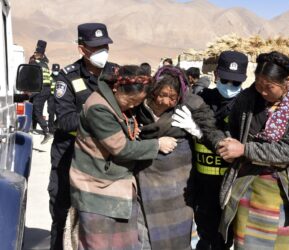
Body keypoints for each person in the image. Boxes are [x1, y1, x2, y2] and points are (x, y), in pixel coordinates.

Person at [217, 51, 289, 249]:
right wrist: (228, 145)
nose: (262, 91)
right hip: (248, 188)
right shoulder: (247, 98)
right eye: (258, 84)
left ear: (287, 81)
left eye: (268, 87)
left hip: (285, 192)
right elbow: (234, 129)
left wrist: (244, 150)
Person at [69, 65, 177, 249]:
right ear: (116, 89)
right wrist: (157, 144)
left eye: (138, 102)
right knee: (98, 244)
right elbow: (121, 148)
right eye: (131, 101)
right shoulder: (99, 108)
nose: (133, 106)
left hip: (117, 186)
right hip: (96, 187)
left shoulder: (119, 103)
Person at [135, 65, 222, 250]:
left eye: (172, 97)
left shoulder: (191, 103)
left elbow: (212, 132)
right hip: (146, 176)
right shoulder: (139, 100)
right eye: (161, 95)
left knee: (178, 235)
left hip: (178, 181)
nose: (166, 101)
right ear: (153, 89)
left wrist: (198, 132)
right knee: (144, 231)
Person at [48, 23, 117, 250]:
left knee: (103, 220)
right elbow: (66, 120)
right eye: (96, 47)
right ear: (82, 49)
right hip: (69, 157)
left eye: (105, 46)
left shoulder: (117, 75)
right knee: (62, 215)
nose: (102, 51)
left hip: (105, 161)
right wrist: (102, 122)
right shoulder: (66, 78)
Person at [190, 51, 248, 250]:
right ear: (216, 76)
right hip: (201, 183)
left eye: (236, 83)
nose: (230, 87)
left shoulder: (247, 106)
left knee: (225, 239)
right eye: (225, 80)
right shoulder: (201, 99)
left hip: (230, 184)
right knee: (206, 237)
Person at [29, 40, 53, 144]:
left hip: (40, 89)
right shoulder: (45, 64)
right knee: (36, 109)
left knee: (36, 111)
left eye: (35, 53)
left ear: (39, 54)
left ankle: (46, 132)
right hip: (46, 90)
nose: (34, 54)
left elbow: (31, 77)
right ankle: (33, 128)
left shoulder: (35, 63)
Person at [47, 63, 60, 134]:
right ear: (52, 70)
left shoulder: (61, 78)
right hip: (51, 97)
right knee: (51, 114)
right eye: (54, 70)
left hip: (58, 98)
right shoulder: (49, 78)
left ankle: (56, 126)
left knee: (59, 114)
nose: (56, 71)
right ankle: (51, 129)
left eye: (57, 70)